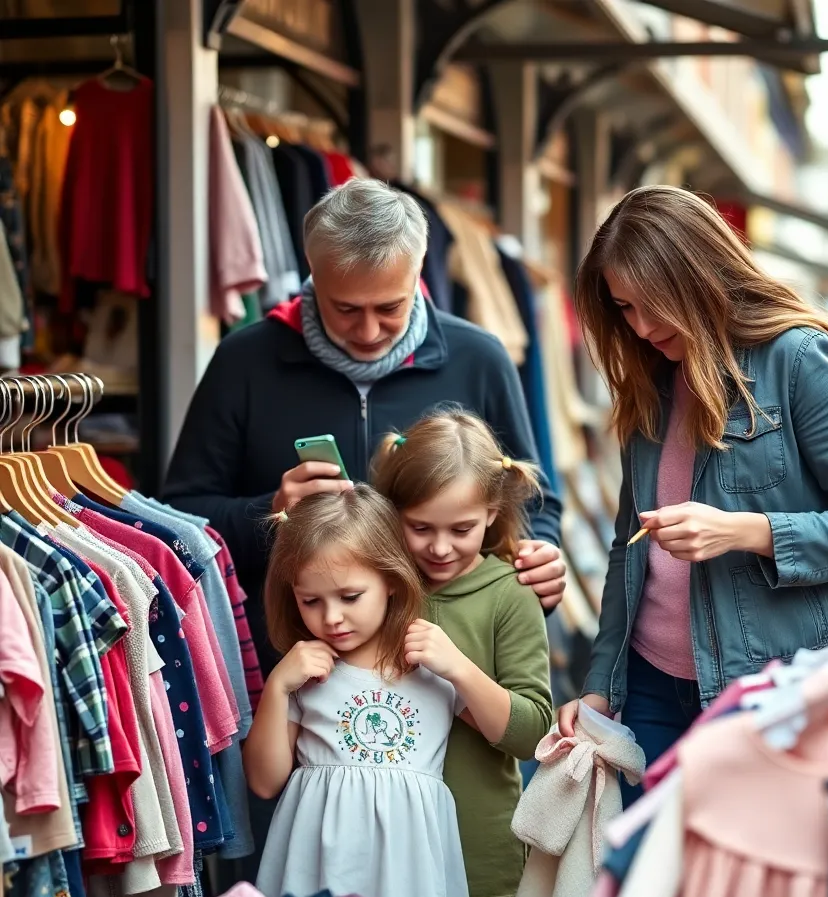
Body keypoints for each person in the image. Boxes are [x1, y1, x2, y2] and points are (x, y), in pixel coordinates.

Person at [554, 186, 828, 805]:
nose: (640, 328)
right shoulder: (650, 382)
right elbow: (627, 549)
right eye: (624, 309)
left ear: (695, 277)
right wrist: (600, 684)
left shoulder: (795, 358)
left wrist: (744, 530)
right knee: (651, 886)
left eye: (652, 305)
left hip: (769, 689)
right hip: (647, 689)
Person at [163, 178, 566, 677]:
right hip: (297, 677)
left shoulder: (479, 358)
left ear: (419, 271)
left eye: (390, 308)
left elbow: (530, 496)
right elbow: (180, 516)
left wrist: (540, 555)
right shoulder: (243, 362)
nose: (369, 331)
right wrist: (268, 512)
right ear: (313, 273)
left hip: (454, 676)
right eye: (346, 309)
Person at [245, 486, 502, 897]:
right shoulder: (303, 673)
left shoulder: (430, 665)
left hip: (410, 868)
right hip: (317, 866)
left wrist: (459, 668)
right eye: (311, 601)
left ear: (392, 582)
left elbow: (506, 732)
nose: (331, 618)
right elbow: (265, 783)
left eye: (349, 597)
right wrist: (277, 688)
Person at [372, 411, 552, 897]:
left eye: (462, 529)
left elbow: (532, 735)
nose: (441, 547)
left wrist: (457, 670)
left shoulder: (510, 594)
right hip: (384, 854)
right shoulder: (372, 589)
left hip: (478, 857)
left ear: (493, 512)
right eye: (420, 527)